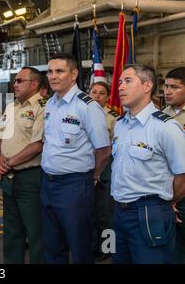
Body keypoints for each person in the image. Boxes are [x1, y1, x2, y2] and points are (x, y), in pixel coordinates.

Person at [41, 53, 111, 264]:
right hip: (48, 183)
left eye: (59, 71)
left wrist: (93, 175)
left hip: (75, 185)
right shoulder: (51, 103)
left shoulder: (87, 106)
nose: (53, 76)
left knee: (80, 247)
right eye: (50, 71)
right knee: (52, 246)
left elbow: (104, 150)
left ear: (74, 75)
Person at [111, 64, 185, 264]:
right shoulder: (120, 124)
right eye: (119, 82)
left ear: (147, 85)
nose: (120, 87)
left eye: (128, 81)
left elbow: (183, 175)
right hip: (118, 210)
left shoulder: (166, 127)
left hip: (148, 212)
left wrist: (165, 201)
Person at [0, 67, 45, 263]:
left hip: (30, 177)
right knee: (12, 231)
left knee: (36, 231)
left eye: (20, 81)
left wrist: (7, 164)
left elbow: (37, 145)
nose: (15, 84)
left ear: (34, 84)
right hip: (9, 177)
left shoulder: (43, 107)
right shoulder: (11, 107)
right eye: (15, 81)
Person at [89, 81, 118, 261]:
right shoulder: (83, 114)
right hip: (85, 167)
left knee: (106, 214)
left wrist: (100, 172)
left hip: (106, 169)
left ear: (107, 97)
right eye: (94, 92)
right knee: (89, 212)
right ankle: (93, 246)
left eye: (101, 93)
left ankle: (108, 248)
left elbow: (115, 147)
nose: (97, 96)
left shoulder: (112, 117)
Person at [162, 67, 185, 264]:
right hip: (168, 189)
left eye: (174, 87)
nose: (167, 91)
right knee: (171, 245)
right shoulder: (162, 115)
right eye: (166, 86)